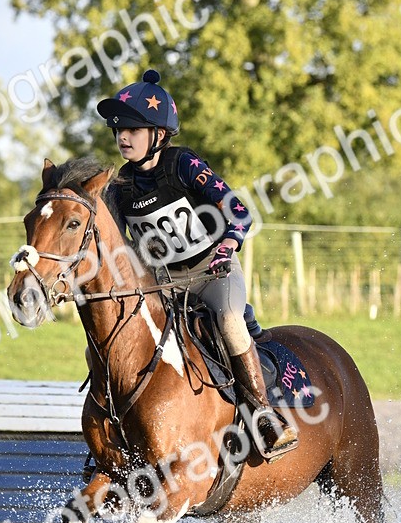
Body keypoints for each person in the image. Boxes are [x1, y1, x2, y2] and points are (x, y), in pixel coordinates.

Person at [98, 69, 297, 460]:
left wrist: (229, 243)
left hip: (213, 272)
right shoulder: (120, 186)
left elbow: (239, 211)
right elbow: (116, 245)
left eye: (133, 130)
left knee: (229, 322)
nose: (122, 137)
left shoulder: (183, 163)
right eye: (119, 130)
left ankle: (264, 415)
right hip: (165, 285)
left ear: (159, 134)